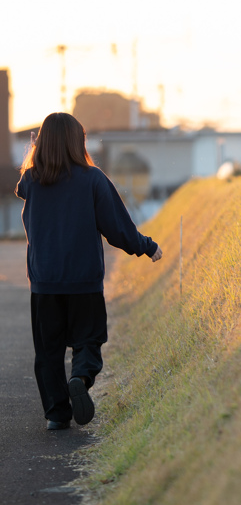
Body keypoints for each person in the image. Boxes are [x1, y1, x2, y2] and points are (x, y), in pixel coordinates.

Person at [15, 112, 162, 431]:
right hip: (84, 280)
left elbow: (24, 194)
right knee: (89, 340)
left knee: (48, 352)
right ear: (76, 142)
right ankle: (80, 378)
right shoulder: (93, 179)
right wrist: (147, 246)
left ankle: (57, 414)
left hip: (44, 282)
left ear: (42, 142)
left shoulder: (32, 180)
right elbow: (117, 227)